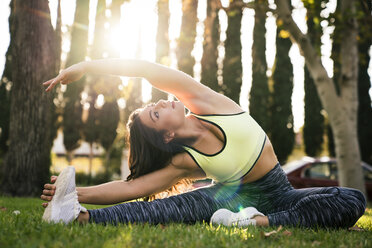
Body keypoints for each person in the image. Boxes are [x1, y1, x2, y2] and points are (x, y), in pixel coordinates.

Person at [41, 59, 366, 228]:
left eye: (155, 104)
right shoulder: (185, 160)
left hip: (280, 193)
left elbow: (145, 70)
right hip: (231, 198)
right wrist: (74, 195)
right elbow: (133, 189)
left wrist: (86, 66)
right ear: (167, 136)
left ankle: (256, 223)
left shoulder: (207, 102)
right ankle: (79, 218)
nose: (162, 103)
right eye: (155, 114)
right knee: (163, 209)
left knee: (350, 199)